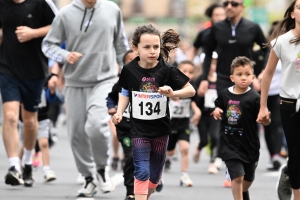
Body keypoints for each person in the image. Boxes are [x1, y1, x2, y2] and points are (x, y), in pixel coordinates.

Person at [42, 0, 128, 197]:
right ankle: (88, 178)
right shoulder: (65, 14)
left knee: (97, 125)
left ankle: (100, 169)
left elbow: (121, 45)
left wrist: (129, 73)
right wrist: (64, 55)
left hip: (105, 80)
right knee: (77, 134)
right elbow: (48, 44)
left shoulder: (112, 10)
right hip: (74, 83)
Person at [112, 24, 195, 200]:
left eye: (156, 47)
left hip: (161, 130)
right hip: (139, 130)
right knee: (141, 170)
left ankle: (144, 196)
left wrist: (174, 93)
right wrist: (119, 111)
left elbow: (191, 90)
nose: (152, 51)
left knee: (155, 177)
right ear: (135, 48)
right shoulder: (129, 70)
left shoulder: (167, 69)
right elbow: (125, 92)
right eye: (147, 47)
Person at [0, 0, 57, 187]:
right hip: (7, 69)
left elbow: (58, 26)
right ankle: (14, 166)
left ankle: (27, 164)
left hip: (35, 71)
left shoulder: (41, 3)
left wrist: (33, 33)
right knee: (9, 116)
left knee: (31, 121)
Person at [257, 1, 300, 199]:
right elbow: (268, 74)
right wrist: (263, 106)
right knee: (296, 152)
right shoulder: (281, 42)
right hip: (289, 103)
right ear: (292, 14)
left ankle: (289, 171)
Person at [212, 56, 270, 200]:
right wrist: (217, 111)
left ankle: (243, 194)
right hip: (229, 144)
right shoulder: (225, 94)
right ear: (232, 77)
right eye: (239, 74)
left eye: (247, 74)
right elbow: (218, 106)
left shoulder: (255, 97)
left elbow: (265, 120)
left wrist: (266, 119)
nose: (243, 78)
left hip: (249, 144)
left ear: (253, 77)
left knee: (248, 179)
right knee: (237, 176)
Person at [201, 0, 268, 95]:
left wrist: (263, 71)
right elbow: (208, 53)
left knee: (245, 109)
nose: (229, 6)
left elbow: (267, 49)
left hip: (245, 80)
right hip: (223, 79)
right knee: (224, 109)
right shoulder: (217, 28)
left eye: (234, 4)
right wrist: (204, 79)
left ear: (242, 6)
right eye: (226, 4)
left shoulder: (253, 27)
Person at [106, 49, 136, 200]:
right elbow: (111, 97)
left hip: (145, 127)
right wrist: (112, 108)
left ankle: (153, 179)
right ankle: (130, 190)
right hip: (125, 127)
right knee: (130, 156)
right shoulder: (120, 83)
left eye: (135, 59)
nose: (132, 62)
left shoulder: (149, 80)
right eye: (128, 60)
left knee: (148, 157)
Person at [165, 60, 201, 187]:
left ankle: (184, 175)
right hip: (169, 124)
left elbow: (193, 102)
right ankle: (165, 160)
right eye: (184, 71)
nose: (187, 74)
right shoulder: (169, 85)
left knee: (185, 148)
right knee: (170, 151)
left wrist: (197, 112)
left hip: (183, 124)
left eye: (190, 72)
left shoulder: (190, 89)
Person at [193, 61, 220, 175]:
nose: (212, 67)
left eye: (214, 64)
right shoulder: (199, 80)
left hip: (215, 113)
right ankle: (199, 147)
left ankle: (212, 162)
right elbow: (193, 100)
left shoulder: (220, 80)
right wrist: (200, 95)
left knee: (215, 137)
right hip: (203, 113)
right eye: (209, 64)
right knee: (204, 140)